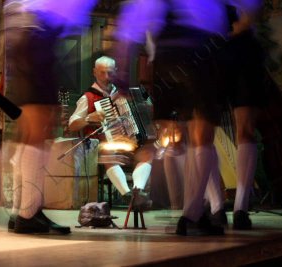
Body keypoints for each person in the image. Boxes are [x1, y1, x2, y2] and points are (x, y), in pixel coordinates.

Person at [113, 0, 263, 235]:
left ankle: (221, 208)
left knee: (201, 134)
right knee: (199, 135)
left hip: (193, 50)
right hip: (202, 49)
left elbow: (130, 29)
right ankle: (205, 209)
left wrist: (127, 71)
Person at [3, 0, 98, 235]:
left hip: (25, 34)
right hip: (37, 35)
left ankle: (21, 211)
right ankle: (28, 214)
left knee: (29, 134)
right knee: (38, 131)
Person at [68, 56, 152, 208]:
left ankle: (137, 192)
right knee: (108, 154)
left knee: (148, 153)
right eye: (102, 73)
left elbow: (146, 108)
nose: (106, 77)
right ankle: (127, 195)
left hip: (128, 144)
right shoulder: (88, 97)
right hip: (103, 146)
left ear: (116, 72)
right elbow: (72, 125)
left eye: (110, 73)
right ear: (94, 72)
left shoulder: (125, 94)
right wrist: (88, 118)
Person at [216, 3, 266, 230]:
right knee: (199, 133)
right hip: (206, 51)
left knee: (245, 130)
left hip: (242, 49)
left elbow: (253, 13)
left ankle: (241, 208)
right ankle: (216, 207)